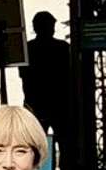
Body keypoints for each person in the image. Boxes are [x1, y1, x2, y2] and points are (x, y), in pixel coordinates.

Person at [18, 11, 72, 143]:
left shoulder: (27, 49)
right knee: (65, 142)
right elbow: (70, 74)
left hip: (35, 102)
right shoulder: (63, 47)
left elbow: (23, 74)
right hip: (60, 102)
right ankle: (67, 164)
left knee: (34, 143)